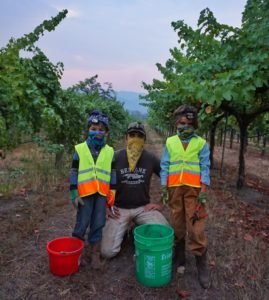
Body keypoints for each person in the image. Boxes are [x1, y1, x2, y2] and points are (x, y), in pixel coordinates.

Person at [160, 104, 210, 289]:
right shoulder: (170, 142)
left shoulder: (201, 143)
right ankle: (180, 259)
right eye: (181, 123)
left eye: (189, 123)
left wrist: (204, 190)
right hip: (174, 189)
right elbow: (165, 165)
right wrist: (164, 186)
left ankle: (201, 265)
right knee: (177, 223)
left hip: (194, 192)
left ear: (194, 124)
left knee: (196, 226)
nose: (184, 126)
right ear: (176, 123)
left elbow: (205, 167)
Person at [101, 122, 168, 258]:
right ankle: (125, 229)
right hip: (119, 210)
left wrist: (161, 203)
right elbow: (102, 182)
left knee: (164, 233)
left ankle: (136, 228)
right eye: (132, 135)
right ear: (126, 138)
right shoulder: (114, 157)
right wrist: (106, 206)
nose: (135, 138)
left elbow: (168, 179)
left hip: (143, 208)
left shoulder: (150, 158)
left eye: (139, 136)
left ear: (144, 139)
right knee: (107, 252)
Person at [69, 110, 114, 269]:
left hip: (101, 194)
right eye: (94, 128)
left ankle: (95, 255)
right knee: (82, 222)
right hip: (85, 193)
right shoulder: (80, 149)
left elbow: (112, 173)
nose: (97, 132)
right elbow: (74, 171)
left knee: (98, 222)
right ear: (88, 129)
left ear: (106, 132)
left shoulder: (109, 151)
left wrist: (112, 194)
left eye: (101, 130)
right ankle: (76, 255)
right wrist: (74, 193)